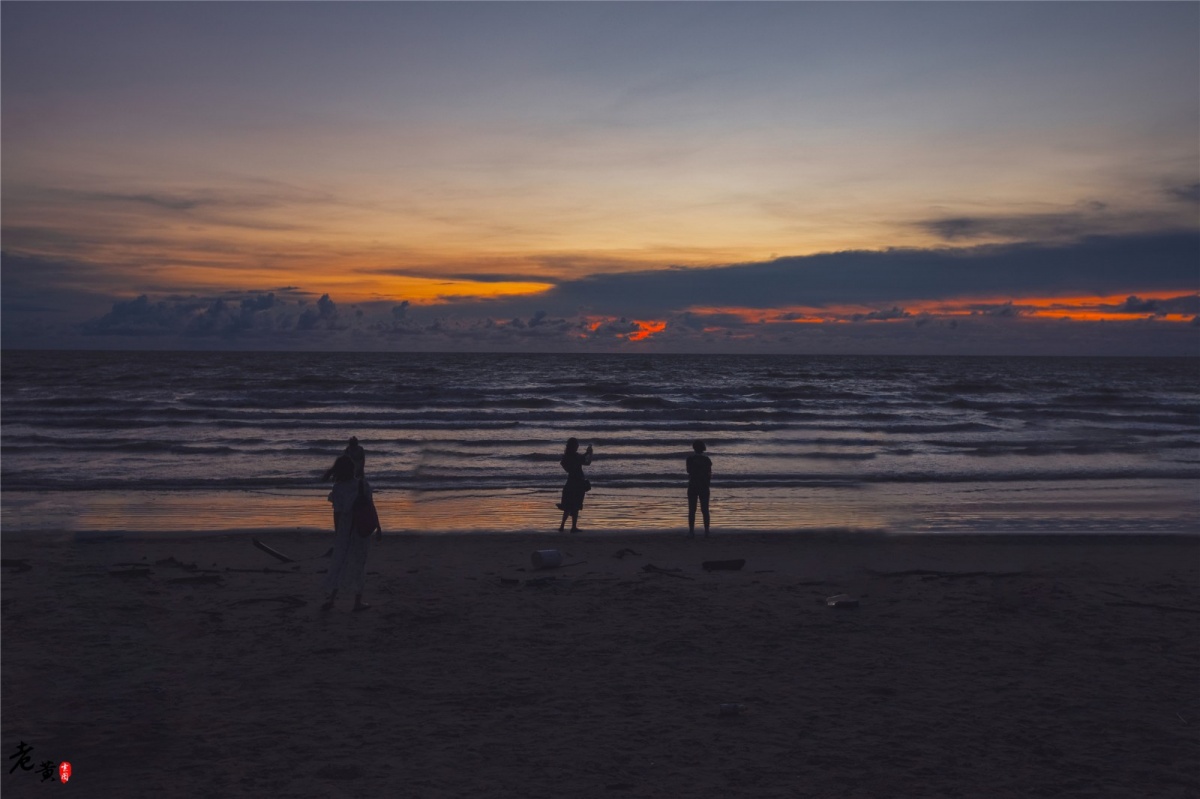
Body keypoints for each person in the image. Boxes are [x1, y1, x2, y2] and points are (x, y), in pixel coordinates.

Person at [321, 454, 380, 611]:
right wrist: (377, 526)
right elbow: (371, 506)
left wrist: (337, 533)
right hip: (361, 529)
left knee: (339, 562)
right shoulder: (362, 484)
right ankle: (357, 602)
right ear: (353, 468)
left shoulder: (338, 488)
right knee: (359, 563)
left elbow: (338, 514)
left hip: (345, 529)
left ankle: (332, 599)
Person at [556, 437, 593, 533]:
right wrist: (590, 453)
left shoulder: (566, 457)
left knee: (567, 506)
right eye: (576, 445)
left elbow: (568, 465)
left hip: (570, 482)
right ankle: (573, 527)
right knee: (575, 506)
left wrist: (587, 454)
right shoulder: (575, 456)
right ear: (574, 446)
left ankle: (562, 526)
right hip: (578, 482)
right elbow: (587, 462)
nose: (578, 446)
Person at [686, 439, 712, 538]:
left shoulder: (690, 459)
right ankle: (706, 531)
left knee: (692, 509)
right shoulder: (707, 459)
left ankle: (691, 531)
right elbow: (709, 473)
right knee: (705, 510)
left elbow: (688, 471)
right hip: (704, 485)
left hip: (693, 485)